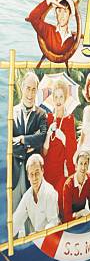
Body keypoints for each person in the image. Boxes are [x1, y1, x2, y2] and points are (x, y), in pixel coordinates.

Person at [12, 71, 47, 211]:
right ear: (22, 87)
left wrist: (22, 139)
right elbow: (7, 143)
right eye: (28, 88)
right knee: (12, 224)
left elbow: (42, 137)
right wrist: (28, 145)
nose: (30, 94)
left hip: (32, 180)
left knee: (32, 227)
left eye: (34, 90)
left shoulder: (41, 114)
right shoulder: (11, 112)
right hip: (14, 176)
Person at [43, 78, 77, 213]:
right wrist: (48, 133)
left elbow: (73, 150)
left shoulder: (69, 119)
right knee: (48, 208)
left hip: (62, 171)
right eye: (55, 96)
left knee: (61, 207)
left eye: (61, 97)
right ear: (52, 98)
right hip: (48, 168)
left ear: (65, 98)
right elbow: (44, 152)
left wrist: (64, 139)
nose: (58, 100)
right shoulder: (48, 118)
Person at [12, 154, 59, 238]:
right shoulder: (27, 196)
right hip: (38, 241)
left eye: (37, 173)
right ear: (28, 176)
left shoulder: (50, 192)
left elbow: (53, 223)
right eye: (31, 174)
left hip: (54, 240)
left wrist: (38, 234)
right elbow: (16, 221)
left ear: (42, 171)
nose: (34, 178)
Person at [62, 149, 90, 222]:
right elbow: (67, 217)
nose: (83, 167)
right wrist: (81, 213)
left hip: (82, 218)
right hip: (69, 222)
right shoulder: (68, 185)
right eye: (81, 163)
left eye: (86, 163)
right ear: (76, 166)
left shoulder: (89, 178)